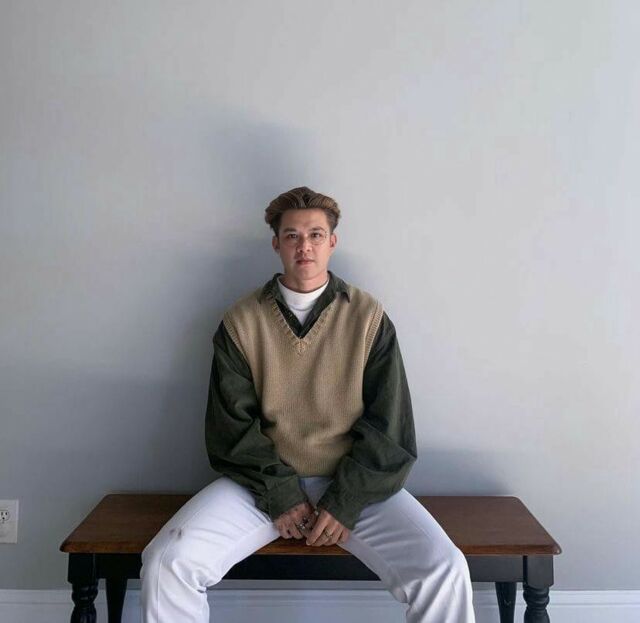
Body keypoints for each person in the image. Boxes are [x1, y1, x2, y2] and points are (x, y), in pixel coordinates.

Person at [140, 187, 476, 623]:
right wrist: (281, 494)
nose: (305, 246)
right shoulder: (241, 322)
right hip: (260, 485)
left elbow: (390, 427)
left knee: (444, 568)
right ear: (276, 244)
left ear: (332, 242)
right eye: (292, 236)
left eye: (316, 235)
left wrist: (345, 501)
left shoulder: (368, 317)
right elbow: (231, 427)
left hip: (355, 483)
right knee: (167, 562)